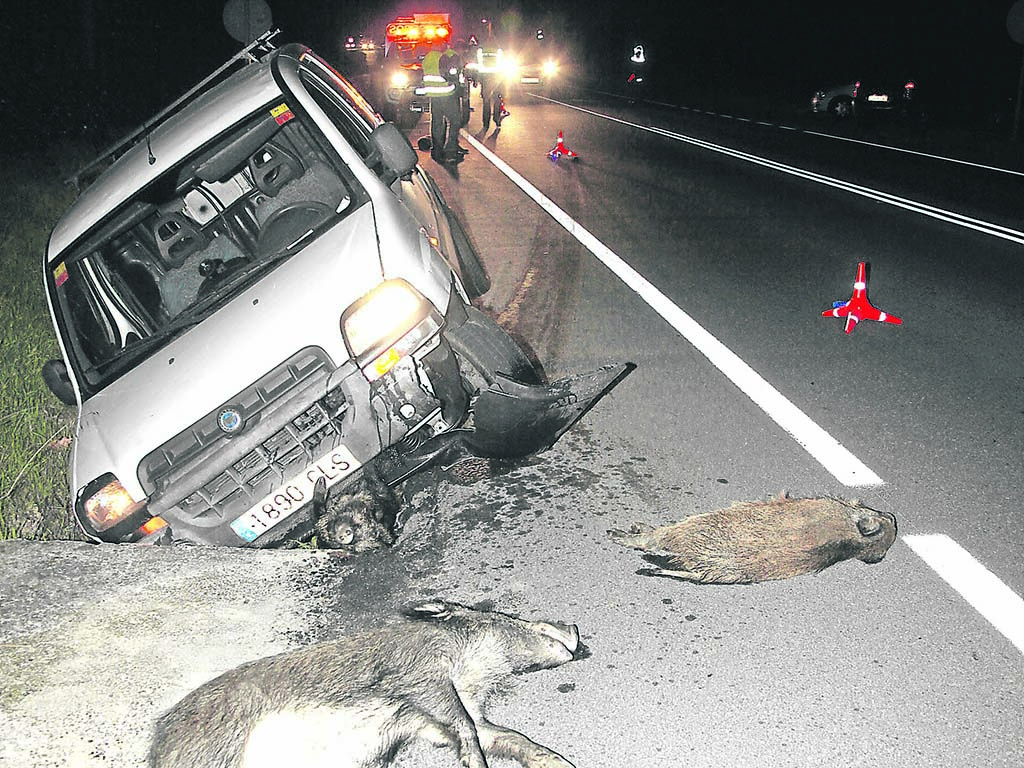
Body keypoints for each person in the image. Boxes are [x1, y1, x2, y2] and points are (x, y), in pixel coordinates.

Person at [420, 45, 468, 162]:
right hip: (447, 94)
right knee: (455, 121)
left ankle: (437, 150)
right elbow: (455, 75)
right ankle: (451, 150)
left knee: (437, 123)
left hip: (433, 95)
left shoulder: (427, 58)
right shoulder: (448, 55)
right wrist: (461, 88)